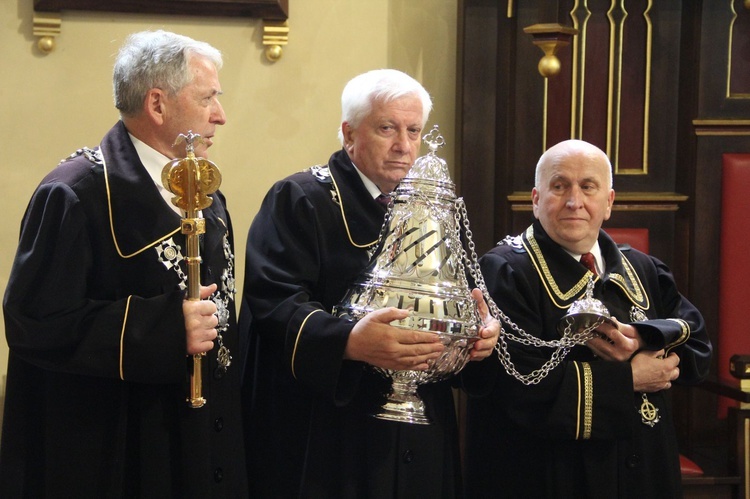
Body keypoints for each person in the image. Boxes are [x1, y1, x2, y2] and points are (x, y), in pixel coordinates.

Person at [0, 30, 247, 497]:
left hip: (203, 445)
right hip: (116, 453)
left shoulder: (207, 192)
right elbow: (33, 322)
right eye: (208, 98)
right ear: (157, 104)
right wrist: (166, 329)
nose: (221, 115)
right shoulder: (74, 192)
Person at [240, 69, 499, 497]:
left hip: (421, 431)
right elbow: (272, 302)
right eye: (387, 128)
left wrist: (476, 339)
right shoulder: (301, 198)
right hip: (331, 434)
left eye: (414, 130)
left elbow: (460, 302)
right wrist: (348, 341)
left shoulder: (434, 209)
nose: (404, 145)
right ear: (349, 133)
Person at [463, 139, 712, 498]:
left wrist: (643, 338)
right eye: (559, 185)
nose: (573, 201)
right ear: (536, 199)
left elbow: (698, 344)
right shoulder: (504, 271)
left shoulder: (643, 268)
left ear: (609, 202)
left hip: (644, 473)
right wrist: (629, 378)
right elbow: (519, 388)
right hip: (545, 475)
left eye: (588, 187)